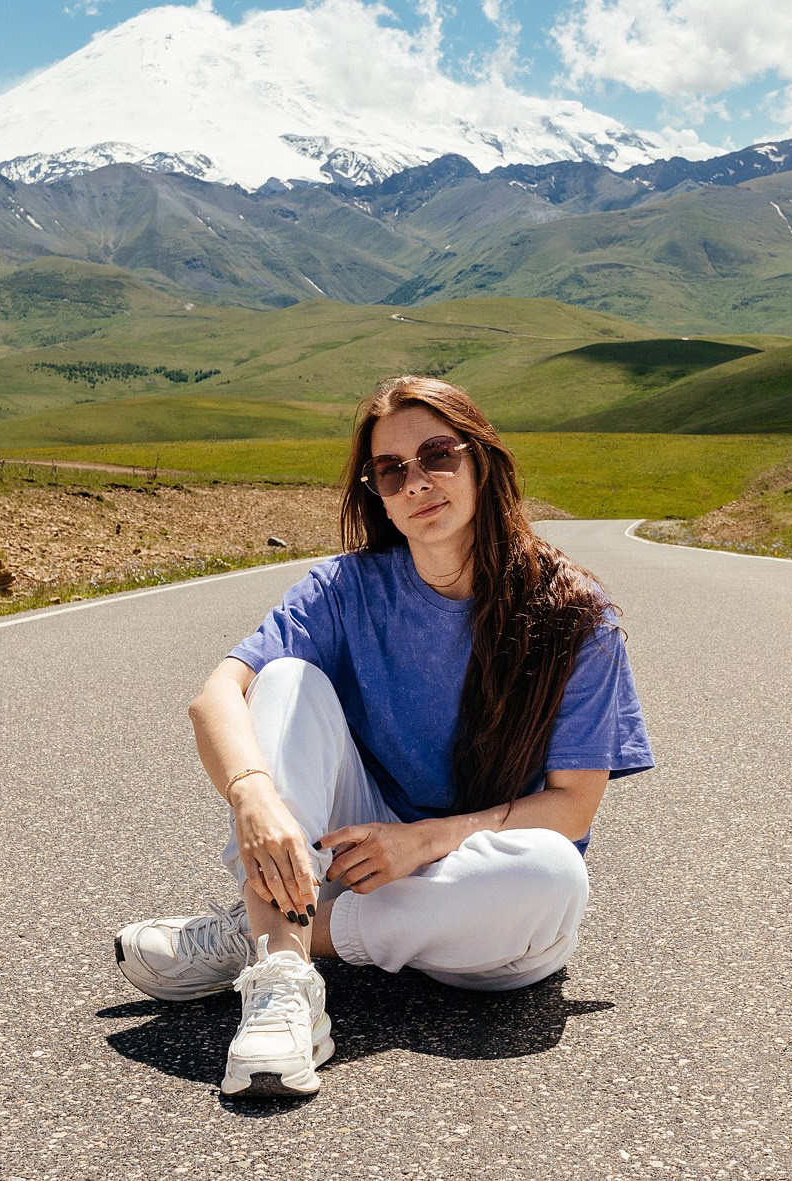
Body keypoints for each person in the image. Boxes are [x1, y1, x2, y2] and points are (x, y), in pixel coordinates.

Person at [112, 375, 652, 1098]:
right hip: (358, 855)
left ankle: (265, 932)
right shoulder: (345, 589)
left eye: (438, 455)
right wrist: (253, 797)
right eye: (391, 470)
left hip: (482, 900)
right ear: (377, 494)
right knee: (285, 679)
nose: (417, 482)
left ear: (483, 460)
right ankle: (283, 985)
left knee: (553, 874)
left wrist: (424, 841)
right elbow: (214, 696)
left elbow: (572, 809)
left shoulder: (576, 616)